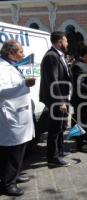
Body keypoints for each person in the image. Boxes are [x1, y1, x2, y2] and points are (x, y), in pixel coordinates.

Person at [0, 40, 35, 196]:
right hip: (10, 116)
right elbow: (2, 91)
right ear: (10, 53)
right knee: (12, 151)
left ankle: (15, 174)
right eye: (20, 51)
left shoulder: (13, 65)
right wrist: (24, 84)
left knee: (20, 149)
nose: (23, 54)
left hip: (20, 114)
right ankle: (7, 184)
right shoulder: (2, 68)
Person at [40, 31, 71, 167]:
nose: (67, 43)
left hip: (63, 98)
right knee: (55, 129)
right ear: (59, 42)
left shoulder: (59, 55)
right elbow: (53, 81)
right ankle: (53, 158)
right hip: (56, 100)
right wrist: (60, 102)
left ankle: (59, 152)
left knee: (61, 127)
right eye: (66, 41)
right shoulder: (51, 56)